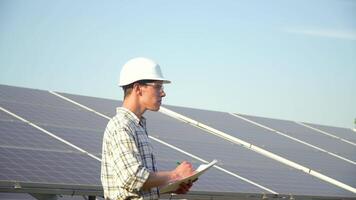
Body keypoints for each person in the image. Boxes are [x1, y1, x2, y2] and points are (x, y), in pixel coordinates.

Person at [101, 57, 195, 200]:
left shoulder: (136, 126)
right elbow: (132, 177)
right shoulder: (121, 125)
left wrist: (171, 184)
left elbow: (135, 188)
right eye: (158, 87)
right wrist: (175, 175)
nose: (163, 93)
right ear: (138, 88)